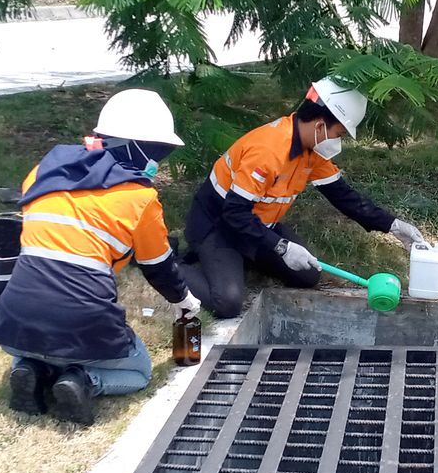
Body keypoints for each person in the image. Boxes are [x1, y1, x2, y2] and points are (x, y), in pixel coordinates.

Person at [0, 89, 200, 426]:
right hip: (82, 323)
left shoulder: (43, 171)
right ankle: (84, 382)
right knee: (140, 371)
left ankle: (29, 370)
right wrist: (184, 300)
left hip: (15, 323)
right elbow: (157, 266)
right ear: (132, 145)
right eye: (156, 150)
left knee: (39, 344)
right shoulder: (140, 197)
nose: (157, 160)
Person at [180, 77, 425, 318]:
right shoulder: (268, 151)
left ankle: (244, 259)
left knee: (308, 275)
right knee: (228, 303)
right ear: (320, 126)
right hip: (219, 227)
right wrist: (281, 246)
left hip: (257, 227)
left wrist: (393, 226)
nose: (337, 142)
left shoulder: (312, 151)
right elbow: (234, 213)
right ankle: (167, 266)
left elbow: (343, 196)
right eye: (338, 133)